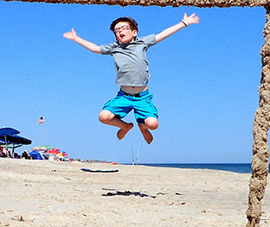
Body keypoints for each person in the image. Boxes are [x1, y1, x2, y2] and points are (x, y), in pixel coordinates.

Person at [63, 13, 200, 144]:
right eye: (116, 31)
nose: (119, 31)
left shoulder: (142, 43)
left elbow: (162, 35)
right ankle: (125, 126)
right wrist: (76, 38)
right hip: (124, 96)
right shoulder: (114, 48)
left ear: (134, 32)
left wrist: (184, 23)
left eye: (123, 28)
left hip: (142, 97)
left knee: (153, 124)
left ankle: (142, 126)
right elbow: (95, 48)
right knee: (103, 117)